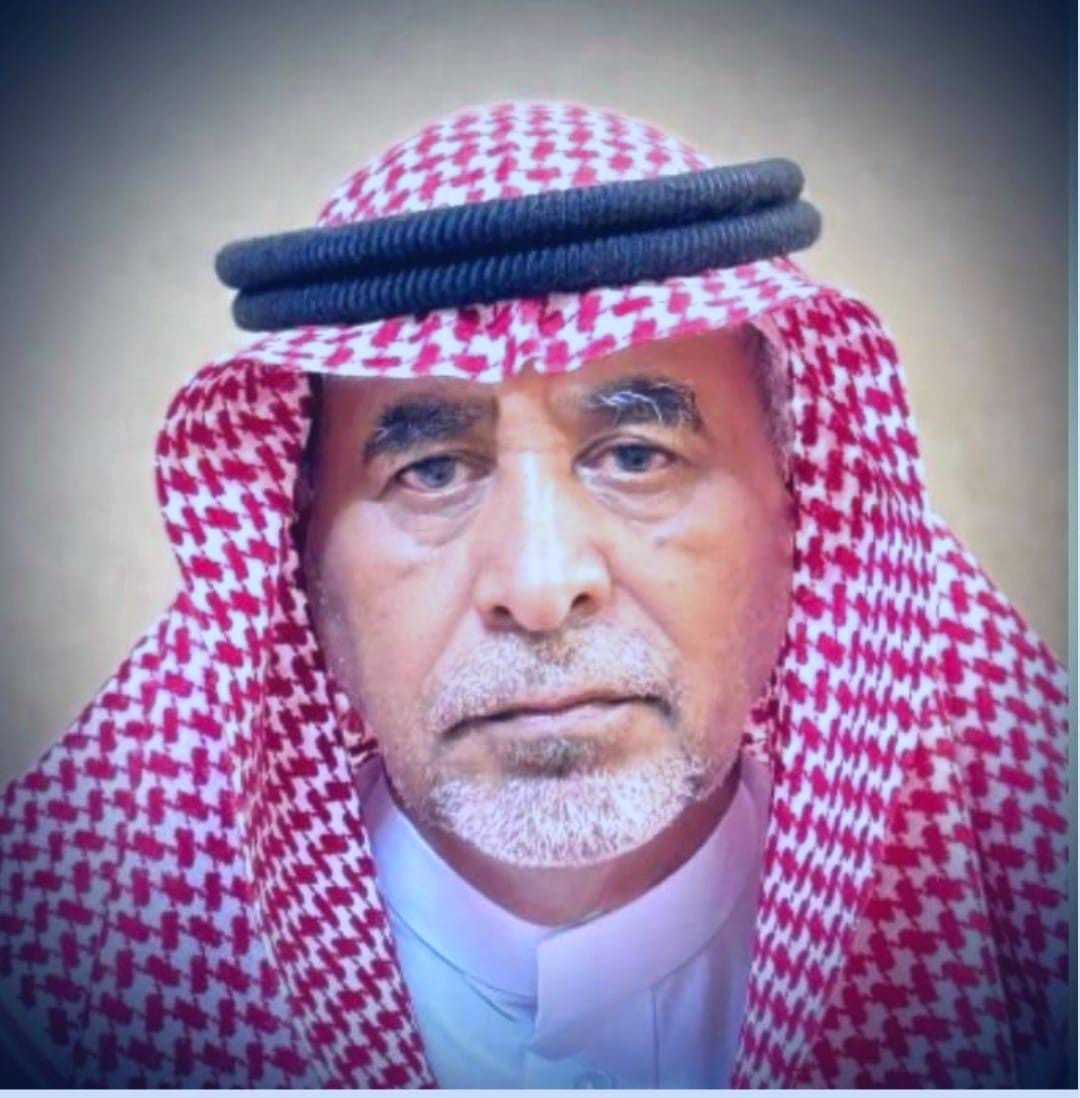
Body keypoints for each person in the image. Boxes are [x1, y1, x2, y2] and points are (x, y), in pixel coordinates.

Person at [0, 100, 1068, 1088]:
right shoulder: (58, 1021)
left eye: (637, 455)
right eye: (431, 471)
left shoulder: (1038, 974)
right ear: (300, 564)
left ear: (796, 516)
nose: (542, 586)